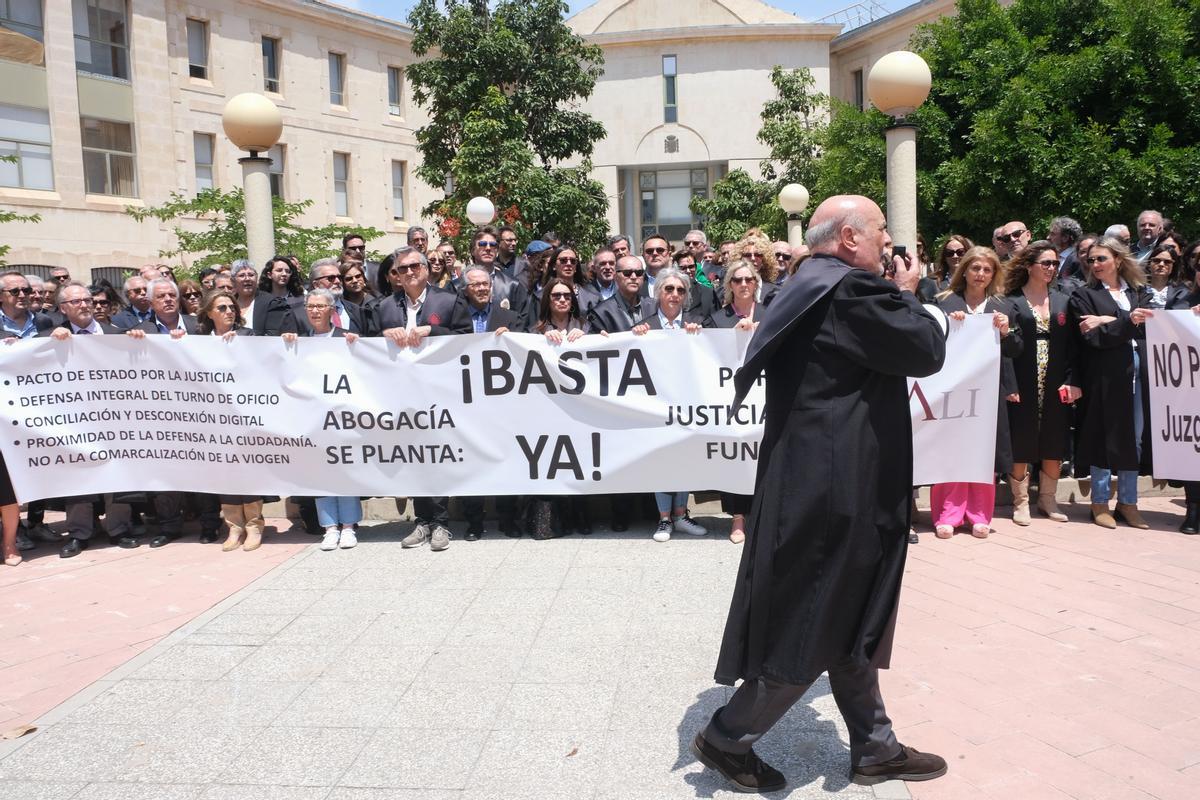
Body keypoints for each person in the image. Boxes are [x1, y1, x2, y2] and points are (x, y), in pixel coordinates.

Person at [694, 195, 947, 793]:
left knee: (851, 609)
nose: (890, 242)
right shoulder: (851, 293)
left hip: (820, 478)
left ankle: (875, 746)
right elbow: (925, 349)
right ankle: (727, 738)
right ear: (852, 238)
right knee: (813, 616)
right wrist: (910, 295)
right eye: (882, 230)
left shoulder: (805, 283)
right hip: (838, 490)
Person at [37, 283, 150, 557]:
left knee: (118, 474)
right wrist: (49, 342)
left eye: (88, 300)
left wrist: (136, 338)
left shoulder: (118, 335)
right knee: (78, 476)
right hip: (74, 422)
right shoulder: (49, 338)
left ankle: (119, 529)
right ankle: (79, 533)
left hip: (116, 422)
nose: (85, 305)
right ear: (63, 308)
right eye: (76, 302)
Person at [373, 246, 472, 551]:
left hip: (439, 394)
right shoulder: (385, 307)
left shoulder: (449, 300)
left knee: (437, 455)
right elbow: (367, 347)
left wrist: (434, 330)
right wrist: (384, 337)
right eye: (403, 269)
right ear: (396, 276)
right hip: (401, 396)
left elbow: (466, 338)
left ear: (427, 269)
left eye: (415, 266)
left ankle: (441, 522)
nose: (410, 272)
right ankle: (422, 520)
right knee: (413, 456)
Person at [930, 248, 1020, 538]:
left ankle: (979, 515)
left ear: (994, 274)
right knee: (951, 452)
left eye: (987, 270)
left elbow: (1017, 350)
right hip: (951, 390)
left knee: (983, 452)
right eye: (975, 268)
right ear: (964, 270)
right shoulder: (944, 302)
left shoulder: (1002, 306)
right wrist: (949, 326)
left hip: (988, 392)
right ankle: (948, 514)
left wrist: (1006, 333)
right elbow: (930, 342)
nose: (980, 275)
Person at [1070, 236, 1154, 530]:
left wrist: (1108, 319)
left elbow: (1150, 327)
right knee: (1103, 435)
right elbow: (1094, 338)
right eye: (1090, 260)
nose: (1094, 265)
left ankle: (1128, 502)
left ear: (1118, 259)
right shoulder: (1083, 295)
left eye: (1101, 259)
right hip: (1105, 376)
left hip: (1139, 376)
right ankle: (1100, 501)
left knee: (1136, 438)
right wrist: (1127, 322)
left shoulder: (1140, 292)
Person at [631, 266, 710, 542]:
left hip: (689, 405)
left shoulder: (697, 322)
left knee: (685, 457)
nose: (674, 294)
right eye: (669, 289)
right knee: (662, 459)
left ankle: (681, 514)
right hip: (656, 406)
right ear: (658, 293)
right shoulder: (646, 326)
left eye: (680, 290)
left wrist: (699, 334)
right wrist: (635, 335)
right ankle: (664, 519)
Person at [1003, 242, 1081, 525]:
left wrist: (1073, 381)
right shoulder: (1010, 300)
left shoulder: (1063, 299)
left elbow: (1075, 347)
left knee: (1054, 436)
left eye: (1054, 264)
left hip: (1056, 378)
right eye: (1045, 263)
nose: (1051, 268)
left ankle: (1048, 499)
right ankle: (1021, 501)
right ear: (1028, 266)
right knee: (1021, 436)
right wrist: (1008, 383)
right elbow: (1005, 348)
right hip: (1023, 378)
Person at [194, 290, 268, 551]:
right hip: (214, 420)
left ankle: (254, 526)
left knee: (248, 470)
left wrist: (242, 348)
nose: (228, 312)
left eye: (232, 307)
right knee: (225, 473)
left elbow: (264, 366)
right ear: (209, 313)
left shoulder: (248, 336)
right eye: (222, 308)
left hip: (245, 417)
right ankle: (234, 527)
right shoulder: (199, 341)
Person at [458, 267, 523, 540]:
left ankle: (508, 519)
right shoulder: (456, 319)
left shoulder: (511, 318)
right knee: (471, 463)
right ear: (465, 290)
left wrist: (511, 340)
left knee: (506, 459)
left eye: (486, 284)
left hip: (502, 404)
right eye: (476, 285)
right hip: (466, 402)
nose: (483, 289)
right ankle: (474, 522)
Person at [709, 260, 767, 544]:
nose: (743, 284)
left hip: (765, 399)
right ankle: (738, 518)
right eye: (737, 280)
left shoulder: (771, 315)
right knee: (735, 455)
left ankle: (762, 515)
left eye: (748, 279)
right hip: (730, 399)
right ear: (729, 286)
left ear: (756, 283)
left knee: (762, 455)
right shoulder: (718, 319)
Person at [1165, 270, 1200, 533]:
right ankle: (1193, 509)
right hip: (1190, 388)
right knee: (1193, 451)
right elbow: (1166, 332)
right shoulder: (1182, 300)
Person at [919, 235, 971, 302]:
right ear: (944, 258)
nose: (955, 256)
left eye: (960, 252)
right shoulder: (931, 283)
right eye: (950, 253)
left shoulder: (977, 282)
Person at [1144, 244, 1188, 310]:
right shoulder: (1137, 289)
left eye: (1167, 262)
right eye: (1156, 260)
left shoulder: (1181, 291)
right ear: (1149, 264)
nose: (1161, 264)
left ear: (1174, 266)